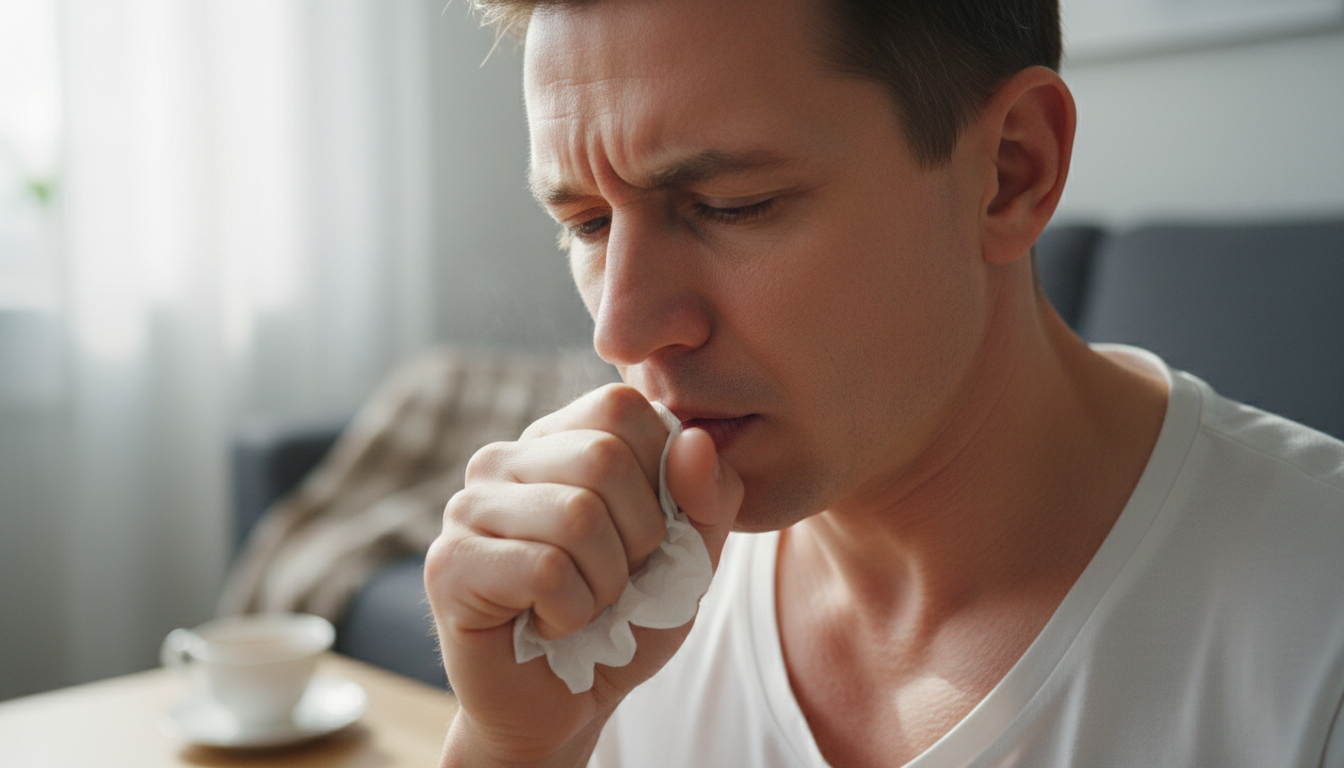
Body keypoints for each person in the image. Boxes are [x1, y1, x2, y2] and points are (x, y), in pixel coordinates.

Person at [422, 0, 1344, 765]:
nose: (618, 327)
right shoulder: (609, 617)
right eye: (587, 224)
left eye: (729, 205)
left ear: (1010, 171)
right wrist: (512, 745)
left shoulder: (1315, 633)